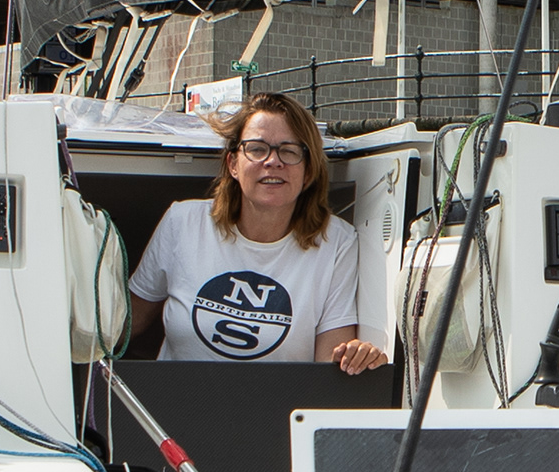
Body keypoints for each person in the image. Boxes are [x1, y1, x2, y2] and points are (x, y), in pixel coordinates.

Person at [127, 91, 389, 370]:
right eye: (257, 148)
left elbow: (329, 365)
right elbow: (125, 326)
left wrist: (358, 357)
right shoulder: (182, 221)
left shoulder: (337, 243)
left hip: (281, 412)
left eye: (289, 150)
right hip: (172, 410)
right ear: (233, 164)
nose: (273, 161)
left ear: (309, 171)